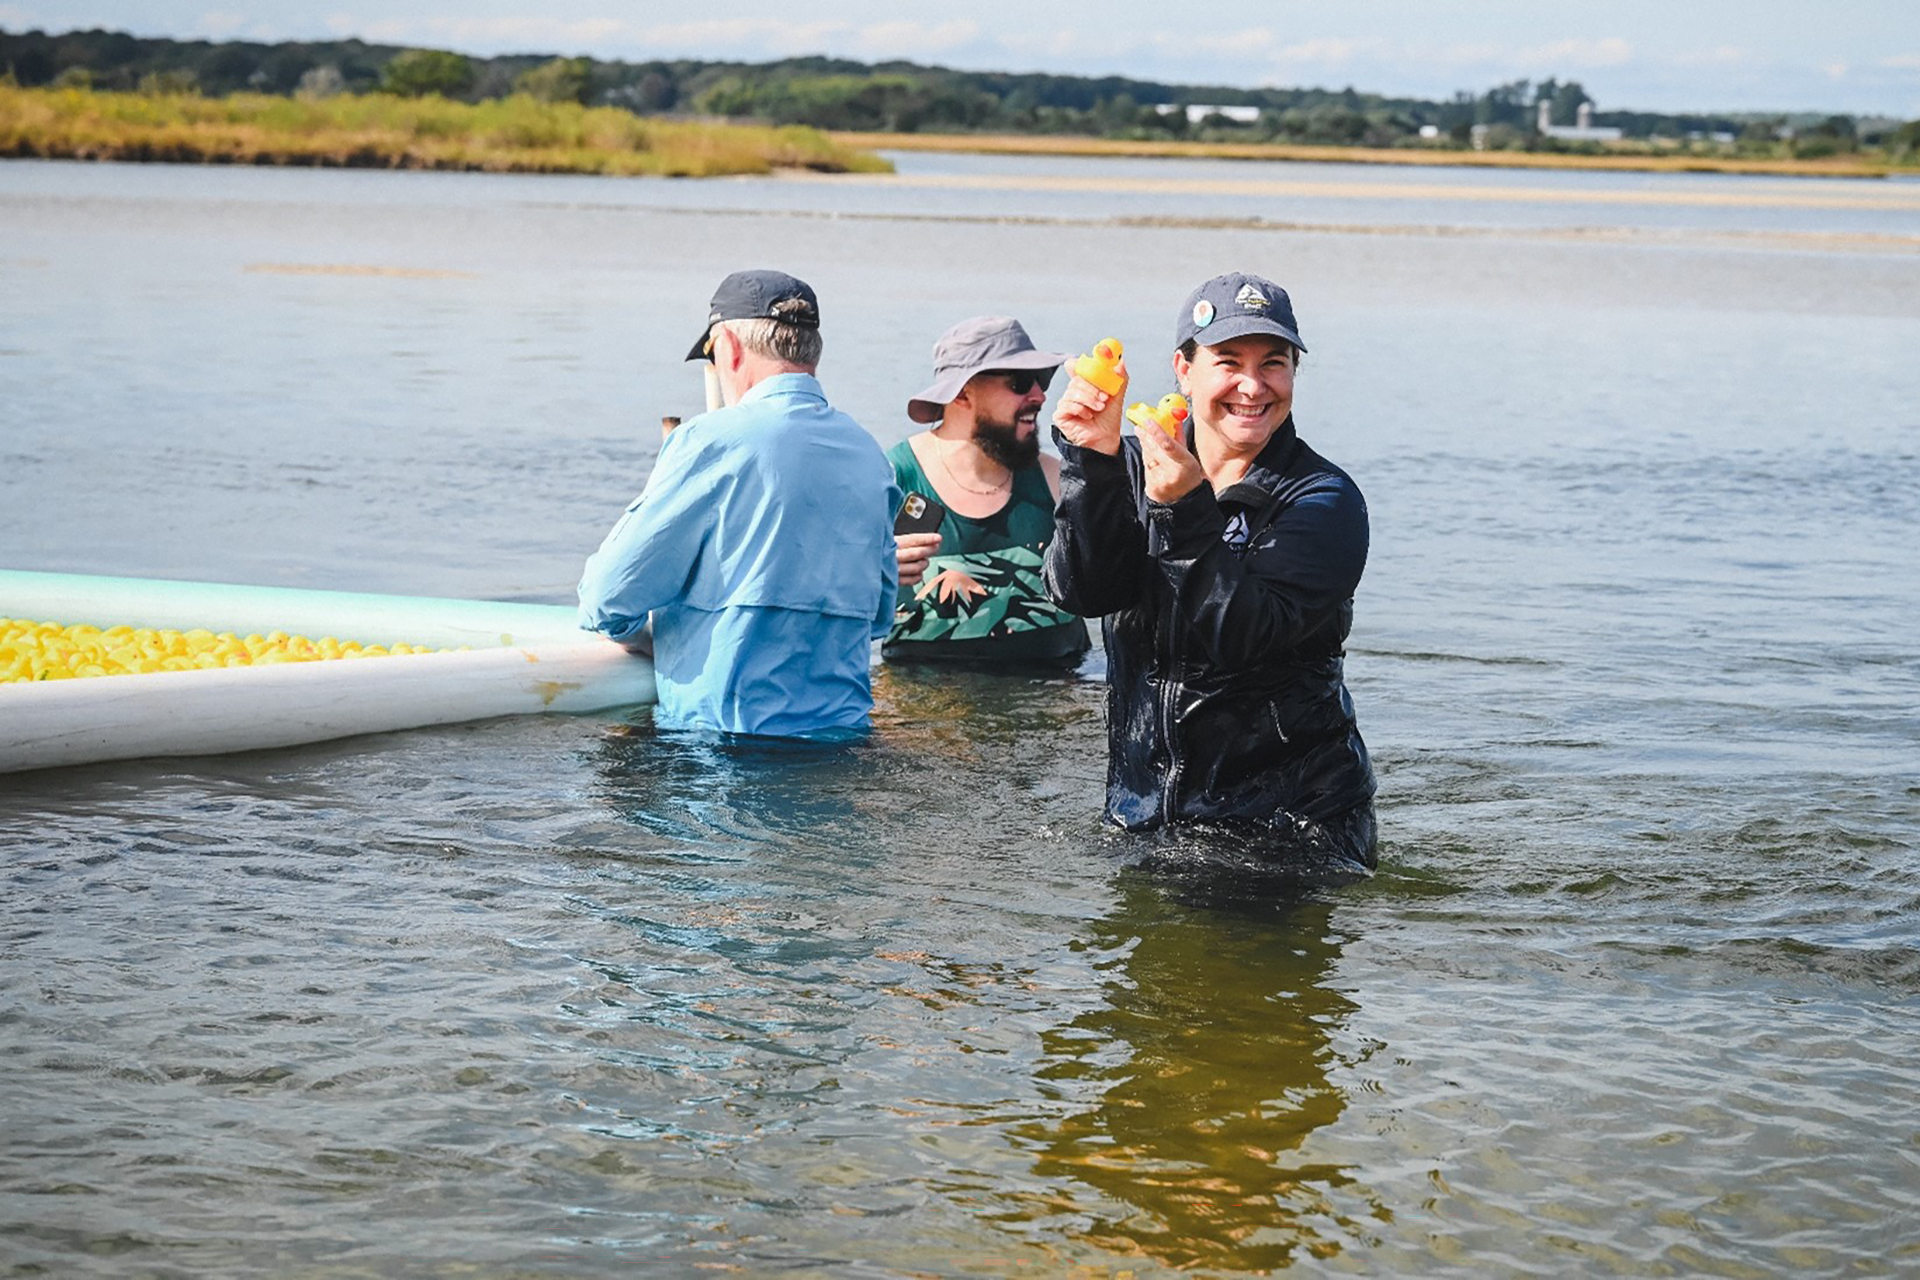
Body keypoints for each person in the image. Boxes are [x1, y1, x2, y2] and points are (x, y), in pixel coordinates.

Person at [1043, 271, 1378, 878]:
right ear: (1183, 368)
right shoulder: (1135, 468)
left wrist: (1183, 510)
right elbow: (1083, 591)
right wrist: (1091, 461)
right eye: (1229, 361)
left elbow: (1242, 637)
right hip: (1144, 816)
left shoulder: (1323, 500)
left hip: (1290, 829)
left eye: (1273, 363)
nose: (1252, 386)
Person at [577, 268, 899, 738]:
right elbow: (878, 618)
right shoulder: (869, 455)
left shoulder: (709, 441)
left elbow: (607, 595)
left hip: (723, 746)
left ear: (726, 346)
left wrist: (645, 639)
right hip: (843, 737)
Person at [885, 316, 1089, 667]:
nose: (1039, 395)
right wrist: (871, 570)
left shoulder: (1059, 480)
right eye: (1022, 382)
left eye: (1040, 381)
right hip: (927, 712)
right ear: (962, 392)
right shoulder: (891, 481)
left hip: (1051, 701)